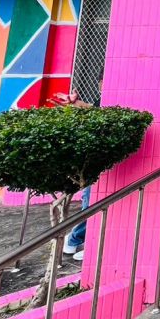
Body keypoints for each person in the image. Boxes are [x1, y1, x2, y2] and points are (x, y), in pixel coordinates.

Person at [50, 91, 92, 261]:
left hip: (96, 164)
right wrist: (78, 105)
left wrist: (79, 105)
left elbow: (96, 110)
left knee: (91, 203)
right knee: (90, 203)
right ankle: (76, 239)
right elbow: (95, 109)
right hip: (93, 165)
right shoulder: (103, 98)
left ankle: (76, 239)